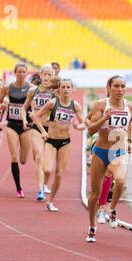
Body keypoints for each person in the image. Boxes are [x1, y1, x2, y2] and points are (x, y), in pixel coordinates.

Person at [85, 75, 132, 243]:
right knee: (94, 195)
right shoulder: (101, 105)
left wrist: (128, 140)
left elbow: (128, 124)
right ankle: (92, 227)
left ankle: (112, 209)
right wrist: (104, 118)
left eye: (123, 86)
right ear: (109, 87)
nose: (120, 89)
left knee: (120, 180)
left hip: (118, 151)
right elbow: (90, 131)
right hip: (100, 151)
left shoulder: (131, 106)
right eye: (116, 86)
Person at [33, 79, 84, 212]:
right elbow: (36, 116)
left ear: (72, 89)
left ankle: (50, 201)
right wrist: (43, 131)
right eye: (63, 87)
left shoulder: (75, 105)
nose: (66, 89)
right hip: (51, 140)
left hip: (65, 142)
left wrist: (78, 126)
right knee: (48, 169)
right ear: (59, 89)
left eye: (68, 87)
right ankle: (43, 186)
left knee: (60, 174)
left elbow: (83, 122)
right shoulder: (52, 103)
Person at [22, 65, 55, 201]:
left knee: (48, 168)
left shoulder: (56, 92)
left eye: (49, 74)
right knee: (39, 157)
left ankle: (45, 182)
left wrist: (51, 116)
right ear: (40, 75)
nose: (47, 77)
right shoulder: (32, 91)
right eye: (45, 74)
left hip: (52, 130)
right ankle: (40, 189)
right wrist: (24, 120)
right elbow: (24, 108)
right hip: (36, 127)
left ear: (53, 76)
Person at [0, 63, 32, 198]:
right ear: (15, 73)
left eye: (23, 72)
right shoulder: (8, 88)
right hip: (12, 124)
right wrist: (3, 105)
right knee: (14, 157)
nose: (21, 74)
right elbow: (0, 102)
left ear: (26, 73)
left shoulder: (31, 88)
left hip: (26, 126)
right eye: (19, 72)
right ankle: (19, 188)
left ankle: (21, 150)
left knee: (23, 159)